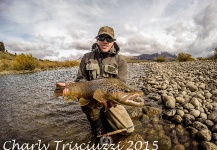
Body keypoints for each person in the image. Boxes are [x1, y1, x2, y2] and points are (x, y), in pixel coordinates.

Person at [58, 26, 134, 139]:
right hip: (91, 97)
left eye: (109, 39)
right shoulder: (87, 57)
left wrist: (106, 99)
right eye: (101, 37)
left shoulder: (120, 60)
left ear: (113, 42)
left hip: (110, 100)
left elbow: (120, 85)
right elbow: (81, 79)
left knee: (128, 130)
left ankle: (105, 114)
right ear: (97, 40)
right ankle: (96, 128)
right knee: (85, 102)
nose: (105, 41)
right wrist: (71, 88)